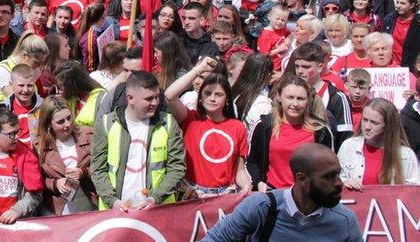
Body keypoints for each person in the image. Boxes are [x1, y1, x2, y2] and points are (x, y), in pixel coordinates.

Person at [200, 144, 371, 242]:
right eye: (329, 177)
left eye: (338, 174)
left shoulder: (344, 220)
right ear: (302, 178)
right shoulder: (262, 207)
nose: (339, 183)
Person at [90, 71, 185, 211]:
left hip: (157, 210)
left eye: (157, 97)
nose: (155, 103)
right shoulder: (106, 124)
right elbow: (98, 170)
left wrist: (155, 198)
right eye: (149, 99)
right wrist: (112, 201)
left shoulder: (168, 123)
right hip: (116, 211)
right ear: (130, 98)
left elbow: (177, 168)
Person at [164, 63, 251, 196]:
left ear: (226, 99)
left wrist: (246, 184)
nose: (212, 98)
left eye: (218, 94)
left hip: (225, 195)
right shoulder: (190, 118)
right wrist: (198, 69)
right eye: (207, 93)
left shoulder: (238, 127)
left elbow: (239, 171)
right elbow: (169, 96)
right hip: (192, 193)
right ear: (200, 97)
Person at [247, 75, 334, 192]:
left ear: (308, 100)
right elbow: (252, 162)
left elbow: (329, 166)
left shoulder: (321, 130)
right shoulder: (264, 126)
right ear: (279, 97)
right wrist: (259, 182)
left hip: (308, 198)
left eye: (300, 98)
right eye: (290, 97)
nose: (295, 103)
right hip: (273, 194)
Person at [338, 98, 420, 188]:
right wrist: (344, 182)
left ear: (387, 126)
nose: (367, 127)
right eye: (365, 120)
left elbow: (413, 191)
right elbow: (335, 178)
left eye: (374, 123)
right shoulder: (348, 146)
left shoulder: (405, 155)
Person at [36, 96, 97, 215]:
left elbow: (103, 167)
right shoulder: (38, 147)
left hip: (90, 203)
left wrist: (83, 172)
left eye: (69, 118)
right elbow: (36, 180)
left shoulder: (89, 135)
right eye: (60, 122)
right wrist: (55, 184)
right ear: (48, 124)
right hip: (58, 209)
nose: (68, 124)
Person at [386, 0, 420, 67]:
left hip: (411, 64)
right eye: (397, 2)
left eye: (403, 3)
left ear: (412, 5)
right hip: (391, 64)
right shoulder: (390, 19)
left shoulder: (417, 22)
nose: (398, 6)